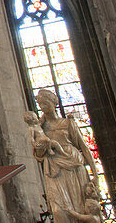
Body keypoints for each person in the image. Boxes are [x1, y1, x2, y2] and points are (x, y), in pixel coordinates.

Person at [29, 89, 100, 223]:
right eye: (41, 104)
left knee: (80, 207)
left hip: (74, 168)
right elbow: (38, 155)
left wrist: (95, 174)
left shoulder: (68, 123)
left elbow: (84, 148)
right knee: (58, 210)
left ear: (54, 103)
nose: (43, 107)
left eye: (46, 103)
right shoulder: (40, 128)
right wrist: (42, 145)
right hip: (54, 169)